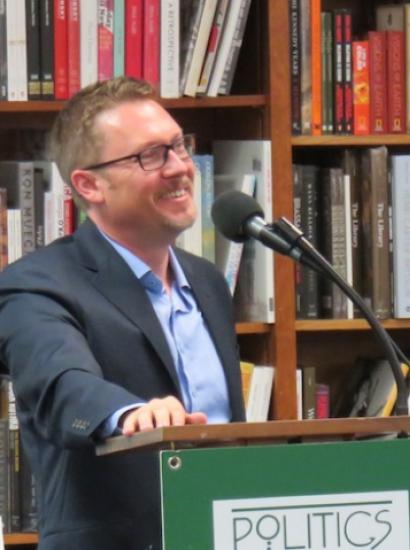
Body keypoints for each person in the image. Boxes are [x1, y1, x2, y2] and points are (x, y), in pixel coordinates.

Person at [0, 77, 245, 550]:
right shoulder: (34, 285)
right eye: (150, 156)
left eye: (178, 146)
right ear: (90, 185)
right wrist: (130, 413)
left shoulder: (208, 282)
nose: (179, 169)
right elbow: (61, 382)